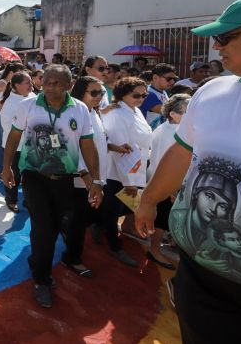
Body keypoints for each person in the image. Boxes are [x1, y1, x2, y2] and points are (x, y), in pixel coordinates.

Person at [136, 0, 241, 344]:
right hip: (197, 276)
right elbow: (181, 153)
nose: (216, 46)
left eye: (226, 37)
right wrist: (149, 200)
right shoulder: (212, 91)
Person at [1, 64, 100, 308]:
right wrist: (6, 167)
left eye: (56, 83)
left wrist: (96, 180)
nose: (50, 87)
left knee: (54, 227)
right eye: (46, 81)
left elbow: (87, 145)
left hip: (64, 178)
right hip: (34, 176)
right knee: (44, 227)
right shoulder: (28, 105)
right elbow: (14, 137)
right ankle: (41, 279)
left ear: (69, 85)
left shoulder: (80, 109)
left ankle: (37, 260)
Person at [98, 77, 153, 267]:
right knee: (113, 211)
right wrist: (128, 182)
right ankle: (114, 246)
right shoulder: (117, 113)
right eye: (136, 95)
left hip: (135, 168)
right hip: (119, 172)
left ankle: (99, 227)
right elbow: (120, 150)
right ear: (122, 94)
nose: (141, 99)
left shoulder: (134, 110)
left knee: (120, 207)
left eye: (144, 95)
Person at [63, 76, 107, 278]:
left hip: (95, 177)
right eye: (94, 92)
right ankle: (72, 258)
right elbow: (72, 147)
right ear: (81, 92)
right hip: (80, 178)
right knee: (78, 219)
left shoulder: (93, 112)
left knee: (82, 217)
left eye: (102, 92)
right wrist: (86, 176)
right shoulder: (74, 113)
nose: (99, 96)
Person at [145, 93, 191, 270]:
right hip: (166, 184)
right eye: (187, 112)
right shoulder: (174, 133)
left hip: (162, 181)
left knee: (162, 217)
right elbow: (165, 163)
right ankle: (154, 250)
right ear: (173, 114)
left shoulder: (165, 128)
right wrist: (172, 189)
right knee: (161, 220)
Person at [0, 71, 36, 211]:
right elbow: (9, 128)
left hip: (31, 146)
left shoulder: (32, 96)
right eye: (27, 83)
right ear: (16, 85)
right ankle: (11, 200)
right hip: (16, 147)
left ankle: (29, 200)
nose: (31, 85)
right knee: (14, 175)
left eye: (31, 81)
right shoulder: (10, 104)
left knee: (30, 176)